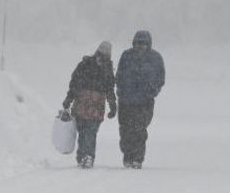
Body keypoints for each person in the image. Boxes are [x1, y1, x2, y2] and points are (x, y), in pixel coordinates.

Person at [62, 41, 117, 169]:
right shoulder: (104, 68)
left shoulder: (86, 64)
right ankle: (86, 156)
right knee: (88, 132)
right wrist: (112, 104)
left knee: (86, 132)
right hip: (94, 105)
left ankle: (85, 156)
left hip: (84, 103)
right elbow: (109, 88)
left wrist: (69, 98)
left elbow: (75, 83)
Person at [115, 30, 165, 169]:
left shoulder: (155, 58)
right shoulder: (126, 56)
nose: (140, 46)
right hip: (126, 101)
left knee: (139, 131)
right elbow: (119, 74)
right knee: (125, 131)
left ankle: (137, 158)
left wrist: (152, 91)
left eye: (143, 43)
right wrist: (120, 90)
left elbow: (160, 78)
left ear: (149, 44)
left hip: (144, 102)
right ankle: (127, 155)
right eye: (138, 43)